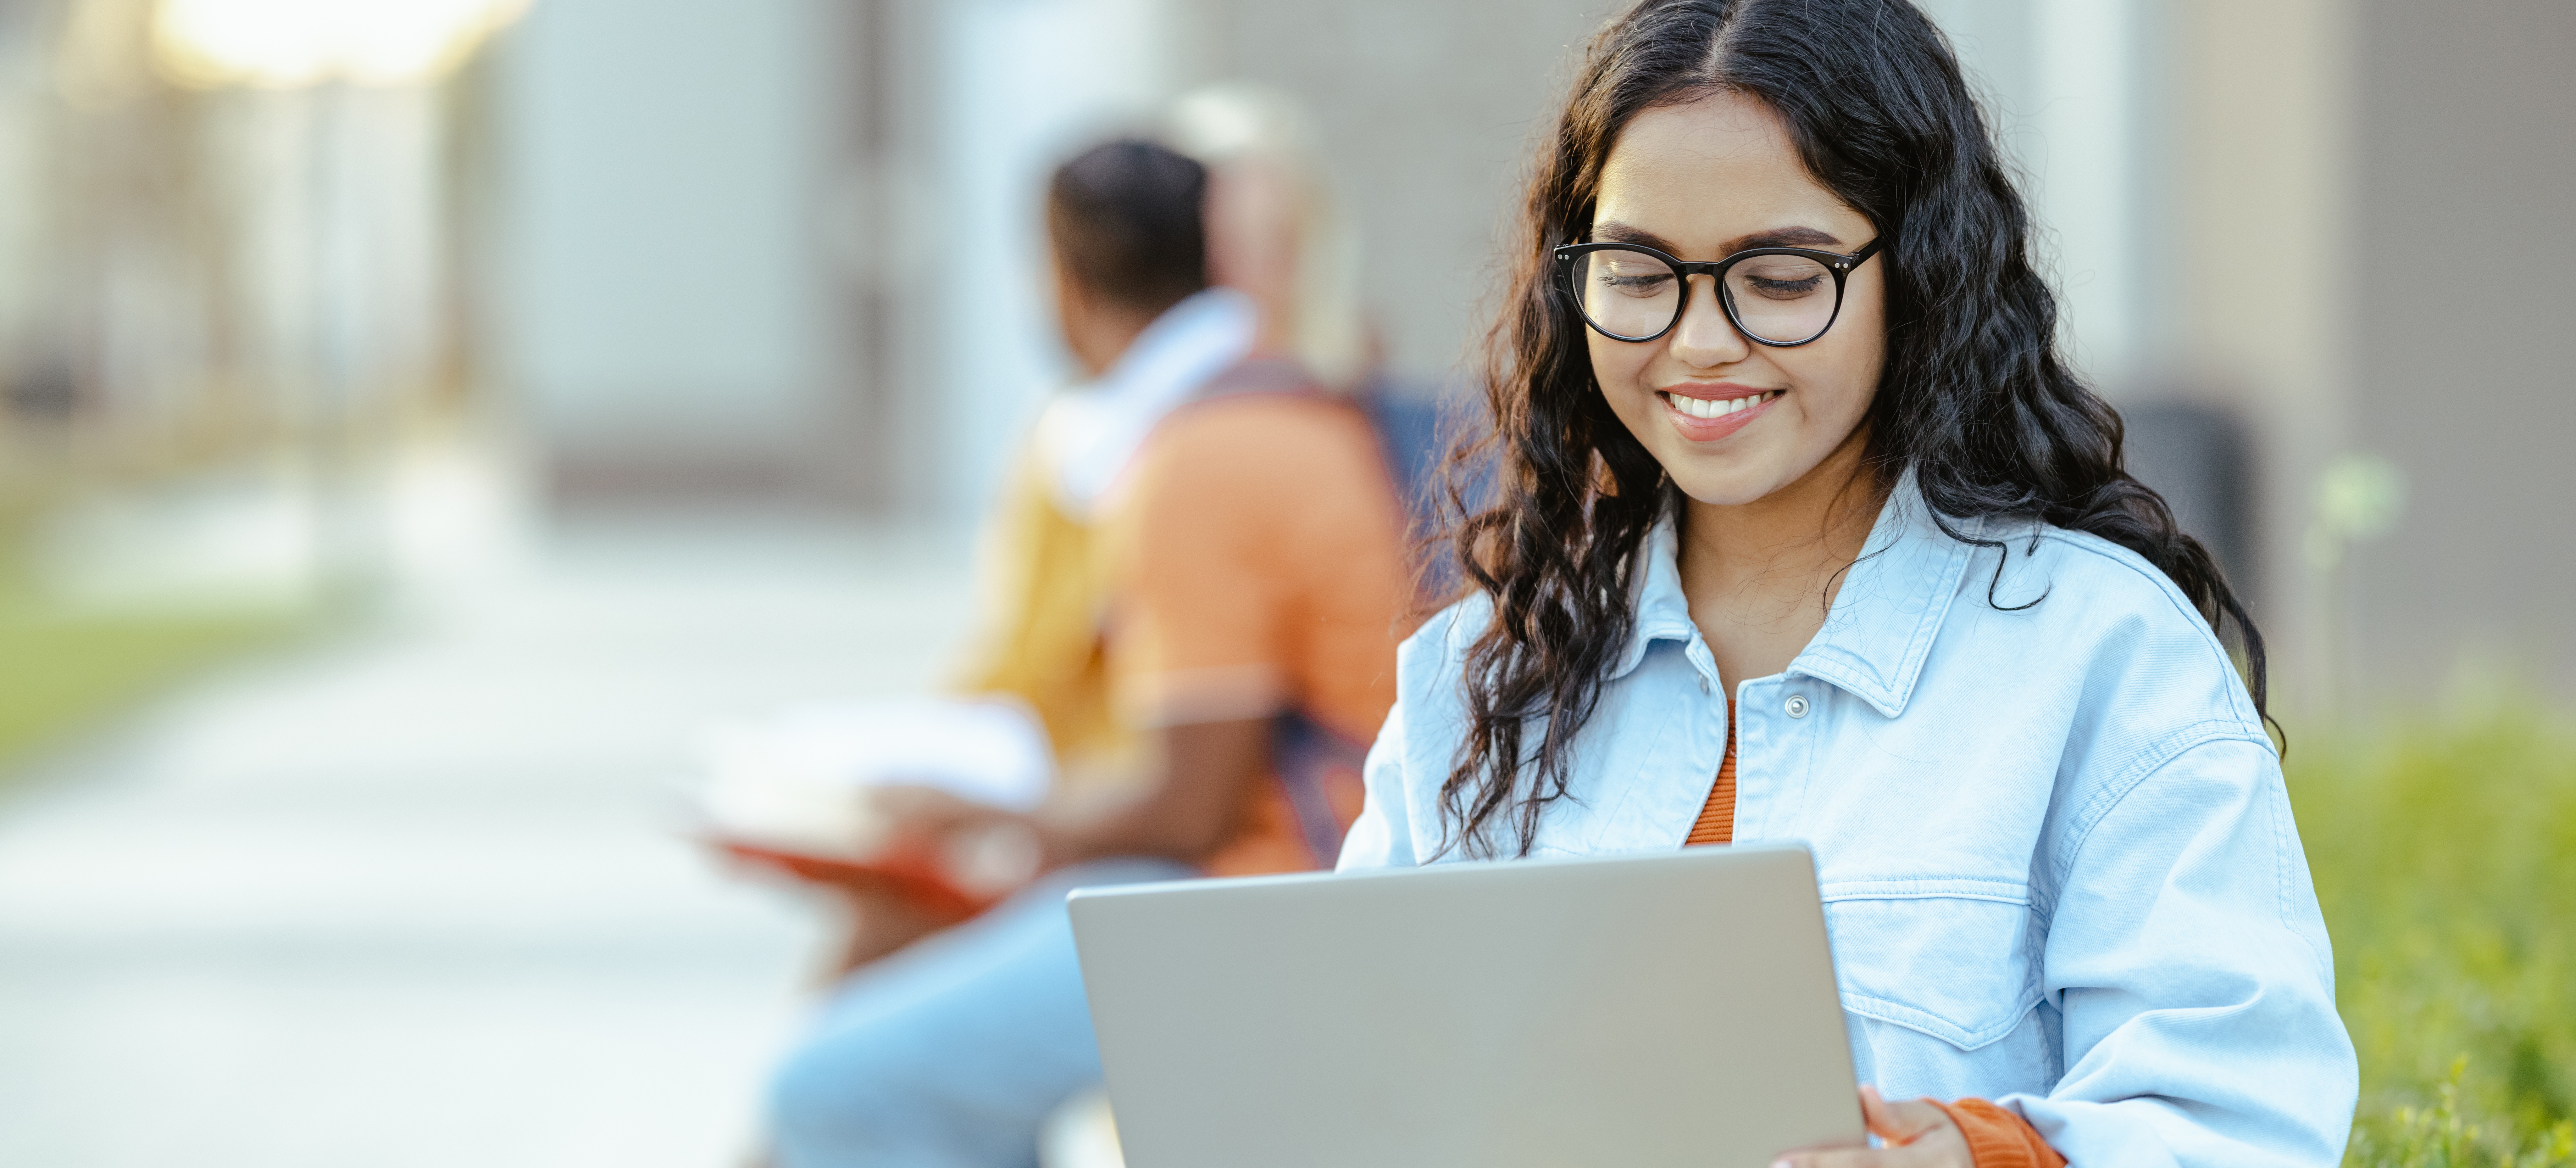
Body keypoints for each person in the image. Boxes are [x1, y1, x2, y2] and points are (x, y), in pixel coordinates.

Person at [1337, 2, 2359, 1166]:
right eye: (1636, 271)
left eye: (1778, 277)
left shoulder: (2102, 660)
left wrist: (1977, 1153)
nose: (1700, 341)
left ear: (1916, 271)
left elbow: (2243, 1124)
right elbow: (1358, 1093)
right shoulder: (1478, 677)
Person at [765, 127, 1412, 1166]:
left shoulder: (1194, 458)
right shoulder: (1277, 403)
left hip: (1268, 899)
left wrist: (994, 820)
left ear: (1059, 283)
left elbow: (1188, 805)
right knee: (897, 993)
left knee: (834, 1088)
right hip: (1291, 865)